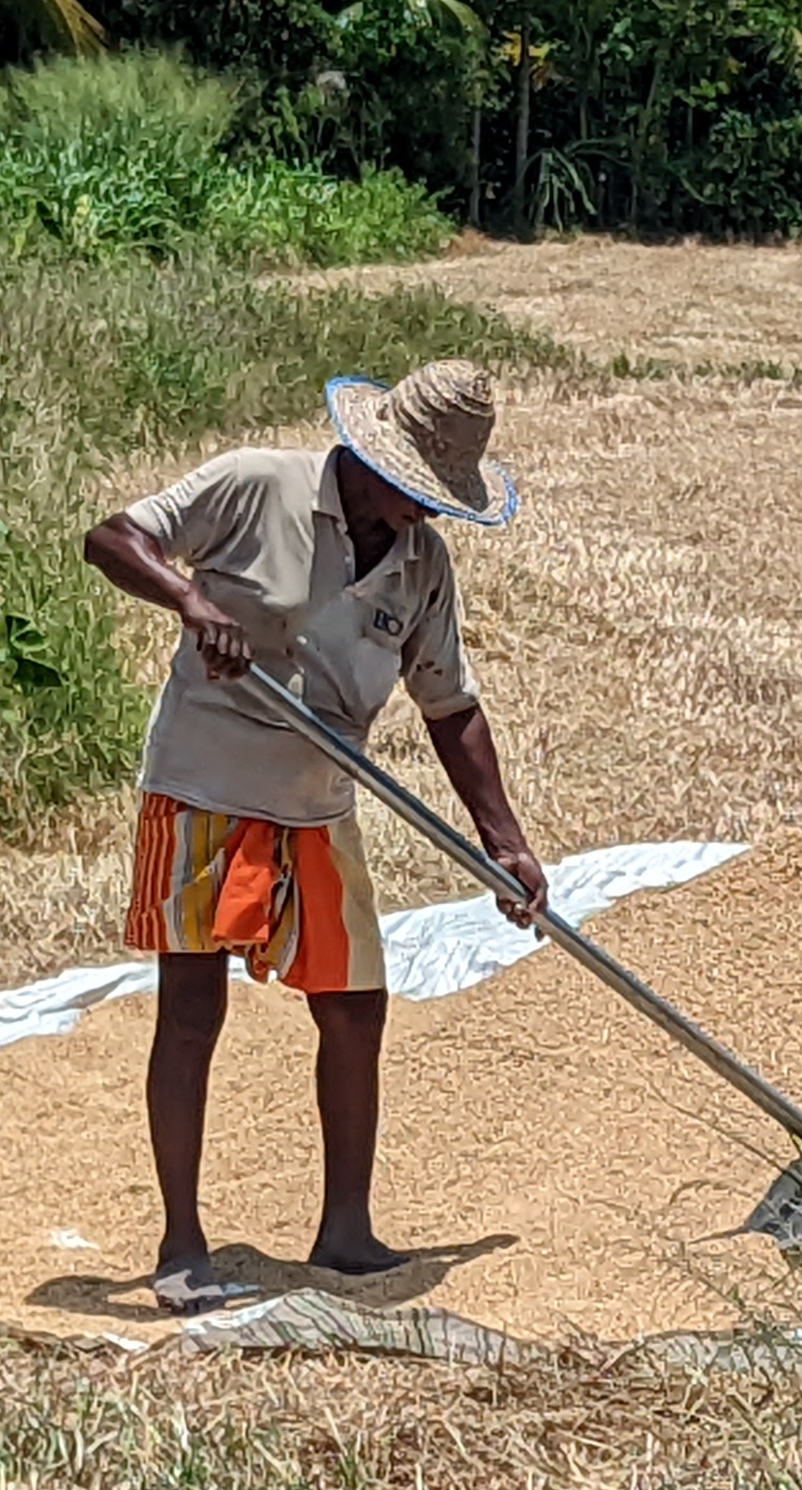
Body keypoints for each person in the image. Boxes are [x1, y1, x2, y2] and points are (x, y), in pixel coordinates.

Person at [80, 360, 550, 1314]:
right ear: (367, 460)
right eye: (412, 491)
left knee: (354, 1007)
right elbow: (112, 538)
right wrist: (192, 604)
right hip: (205, 784)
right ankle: (181, 1243)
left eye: (436, 501)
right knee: (191, 1010)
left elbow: (449, 706)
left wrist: (505, 841)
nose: (419, 515)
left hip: (320, 798)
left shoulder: (421, 565)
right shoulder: (259, 484)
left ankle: (345, 1231)